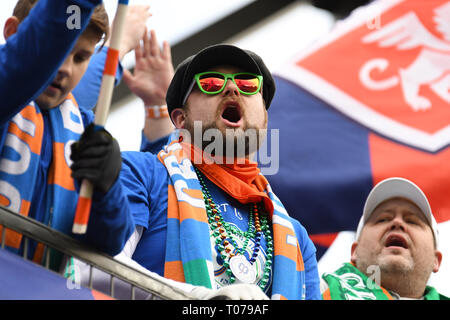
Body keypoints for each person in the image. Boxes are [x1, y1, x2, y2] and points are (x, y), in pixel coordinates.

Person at [71, 44, 321, 300]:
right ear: (181, 120)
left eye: (248, 84)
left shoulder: (297, 238)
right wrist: (200, 301)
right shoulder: (143, 173)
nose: (232, 88)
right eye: (210, 83)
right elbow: (94, 267)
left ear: (265, 121)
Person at [0, 0, 139, 269]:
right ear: (13, 33)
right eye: (59, 48)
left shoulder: (87, 128)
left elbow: (110, 242)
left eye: (81, 57)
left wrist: (106, 189)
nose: (65, 68)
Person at [321, 177, 448, 300]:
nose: (397, 222)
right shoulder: (315, 290)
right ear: (355, 251)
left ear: (436, 260)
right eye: (382, 219)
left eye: (412, 221)